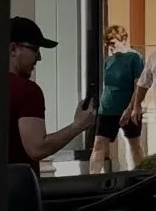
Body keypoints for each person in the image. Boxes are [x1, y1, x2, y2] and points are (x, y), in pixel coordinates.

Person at [8, 16, 96, 177]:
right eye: (35, 49)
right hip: (16, 187)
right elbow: (37, 148)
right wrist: (78, 126)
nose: (39, 57)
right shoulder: (27, 90)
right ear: (13, 49)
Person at [90, 25, 144, 173]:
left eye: (113, 42)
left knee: (134, 145)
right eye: (107, 43)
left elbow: (138, 86)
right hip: (107, 109)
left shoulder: (135, 58)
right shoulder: (109, 60)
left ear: (123, 40)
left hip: (128, 109)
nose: (110, 46)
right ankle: (93, 179)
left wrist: (130, 109)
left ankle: (140, 176)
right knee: (99, 144)